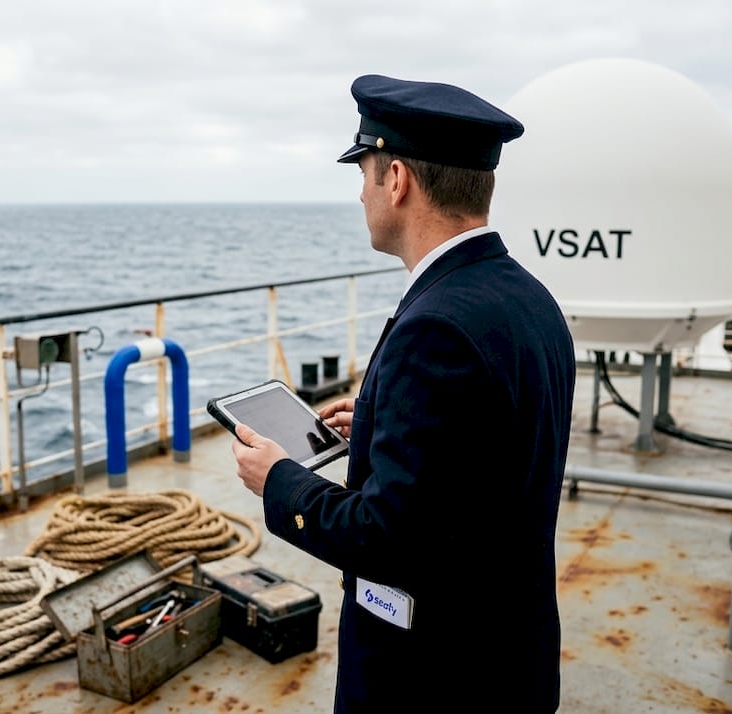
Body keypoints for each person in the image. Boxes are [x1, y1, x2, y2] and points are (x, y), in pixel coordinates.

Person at [230, 73, 576, 713]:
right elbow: (488, 457)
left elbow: (385, 536)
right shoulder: (528, 298)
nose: (361, 194)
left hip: (434, 678)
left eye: (363, 173)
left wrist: (278, 478)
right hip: (509, 657)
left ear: (396, 179)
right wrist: (378, 427)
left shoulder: (436, 327)